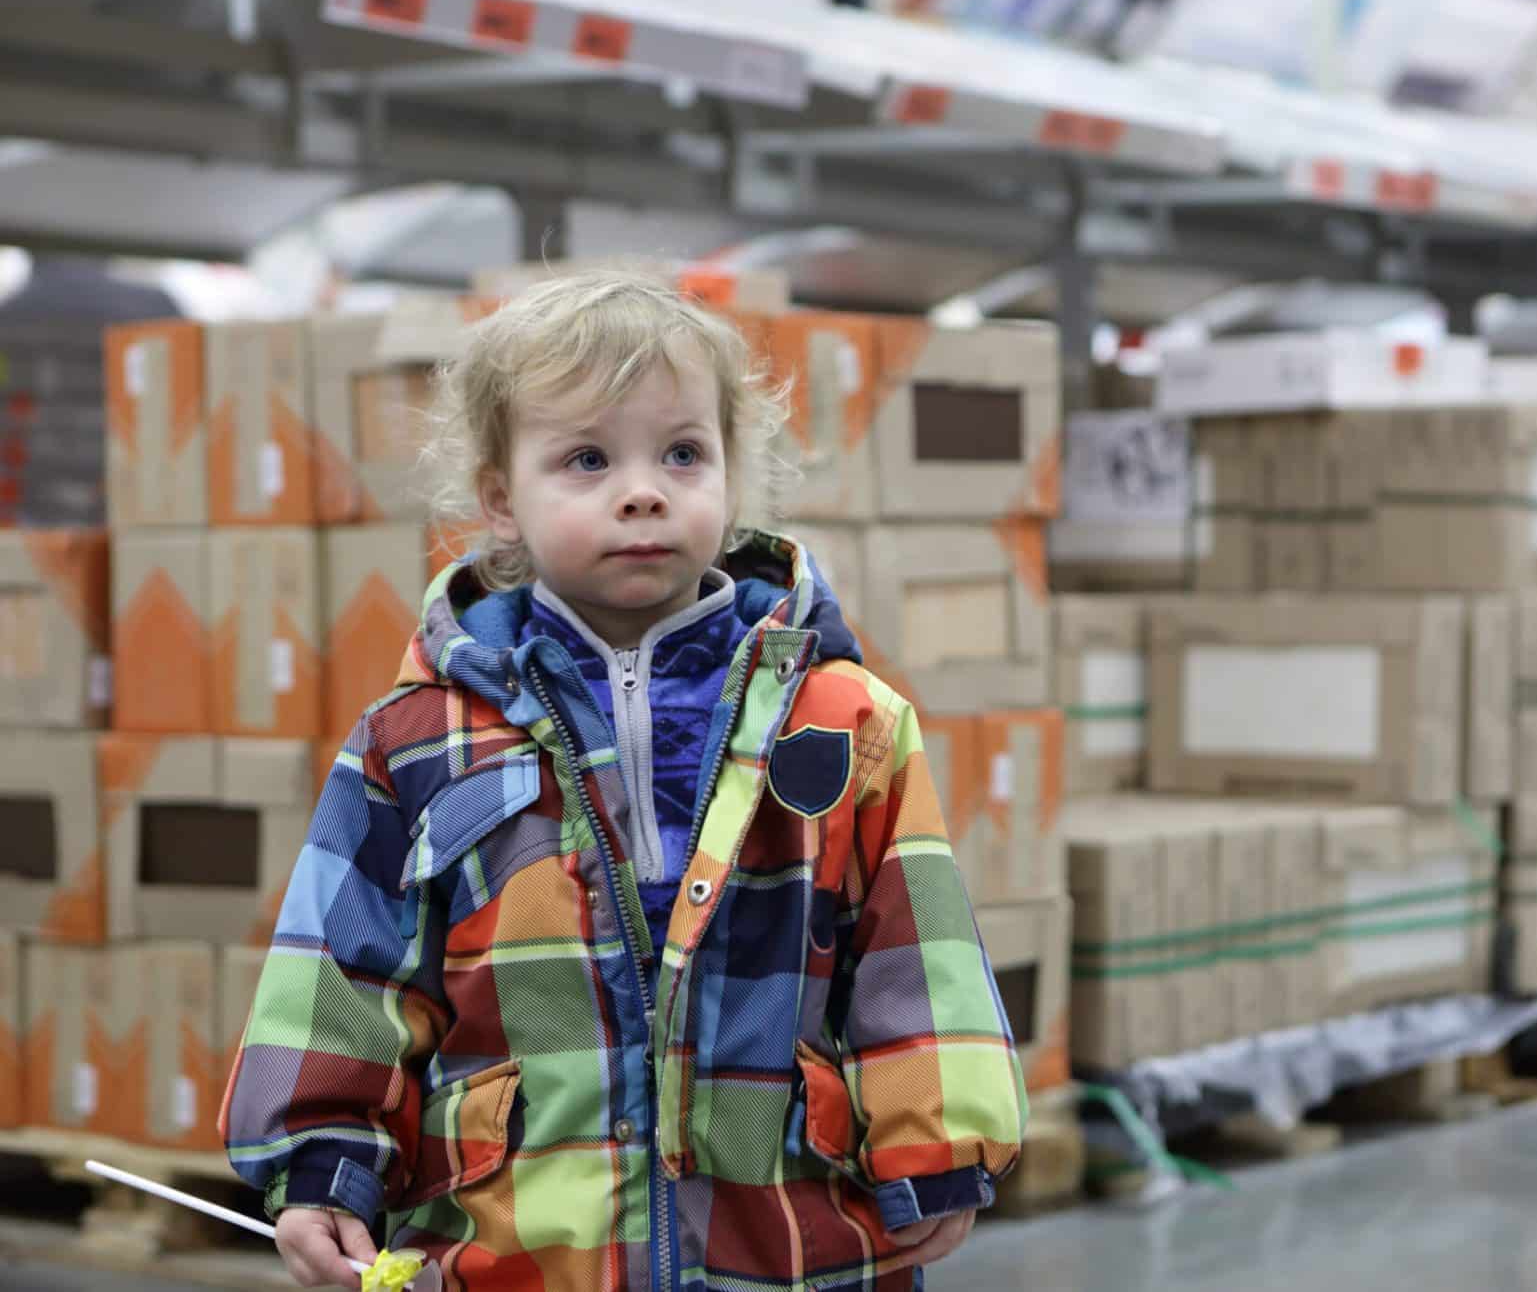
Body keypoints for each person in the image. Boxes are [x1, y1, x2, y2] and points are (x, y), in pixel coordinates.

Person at [219, 270, 1027, 1291]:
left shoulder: (842, 721)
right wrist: (323, 1169)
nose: (642, 489)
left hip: (785, 1240)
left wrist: (940, 1142)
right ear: (500, 500)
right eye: (587, 458)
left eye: (682, 452)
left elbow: (914, 946)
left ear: (734, 476)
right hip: (520, 1248)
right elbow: (346, 973)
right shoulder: (414, 743)